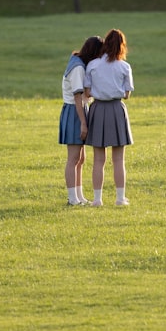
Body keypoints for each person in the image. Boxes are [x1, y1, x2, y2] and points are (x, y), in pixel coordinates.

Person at [84, 28, 134, 206]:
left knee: (98, 159)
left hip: (97, 108)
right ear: (122, 46)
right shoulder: (124, 66)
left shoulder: (93, 65)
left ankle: (97, 199)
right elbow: (127, 94)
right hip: (116, 109)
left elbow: (87, 91)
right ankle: (120, 198)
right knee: (119, 159)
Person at [60, 36, 103, 206]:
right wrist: (83, 123)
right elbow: (77, 97)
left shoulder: (78, 62)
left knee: (81, 158)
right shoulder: (77, 68)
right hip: (74, 112)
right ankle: (72, 198)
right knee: (73, 158)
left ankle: (79, 195)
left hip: (79, 110)